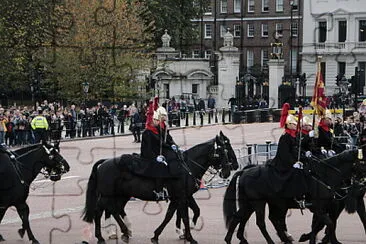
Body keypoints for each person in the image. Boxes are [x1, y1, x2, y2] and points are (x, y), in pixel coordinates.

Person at [269, 103, 308, 208]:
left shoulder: (293, 136)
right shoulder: (285, 136)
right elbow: (285, 154)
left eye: (296, 124)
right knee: (296, 174)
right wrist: (294, 163)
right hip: (283, 163)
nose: (296, 126)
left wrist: (304, 156)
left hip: (292, 161)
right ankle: (295, 196)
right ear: (288, 124)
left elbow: (296, 150)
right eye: (294, 124)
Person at [140, 97, 180, 201]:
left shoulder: (160, 128)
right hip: (149, 156)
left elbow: (167, 141)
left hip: (158, 154)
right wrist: (156, 157)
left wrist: (175, 146)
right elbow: (148, 150)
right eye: (157, 119)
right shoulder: (148, 132)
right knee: (161, 167)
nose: (159, 121)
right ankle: (158, 190)